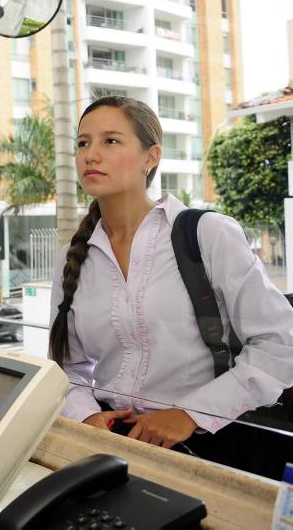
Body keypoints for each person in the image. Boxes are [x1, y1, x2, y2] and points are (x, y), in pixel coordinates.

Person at [49, 95, 293, 479]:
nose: (91, 155)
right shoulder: (72, 257)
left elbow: (280, 344)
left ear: (151, 156)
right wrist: (87, 416)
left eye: (110, 141)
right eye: (83, 143)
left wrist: (190, 414)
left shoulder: (207, 234)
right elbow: (69, 367)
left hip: (205, 447)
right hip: (111, 447)